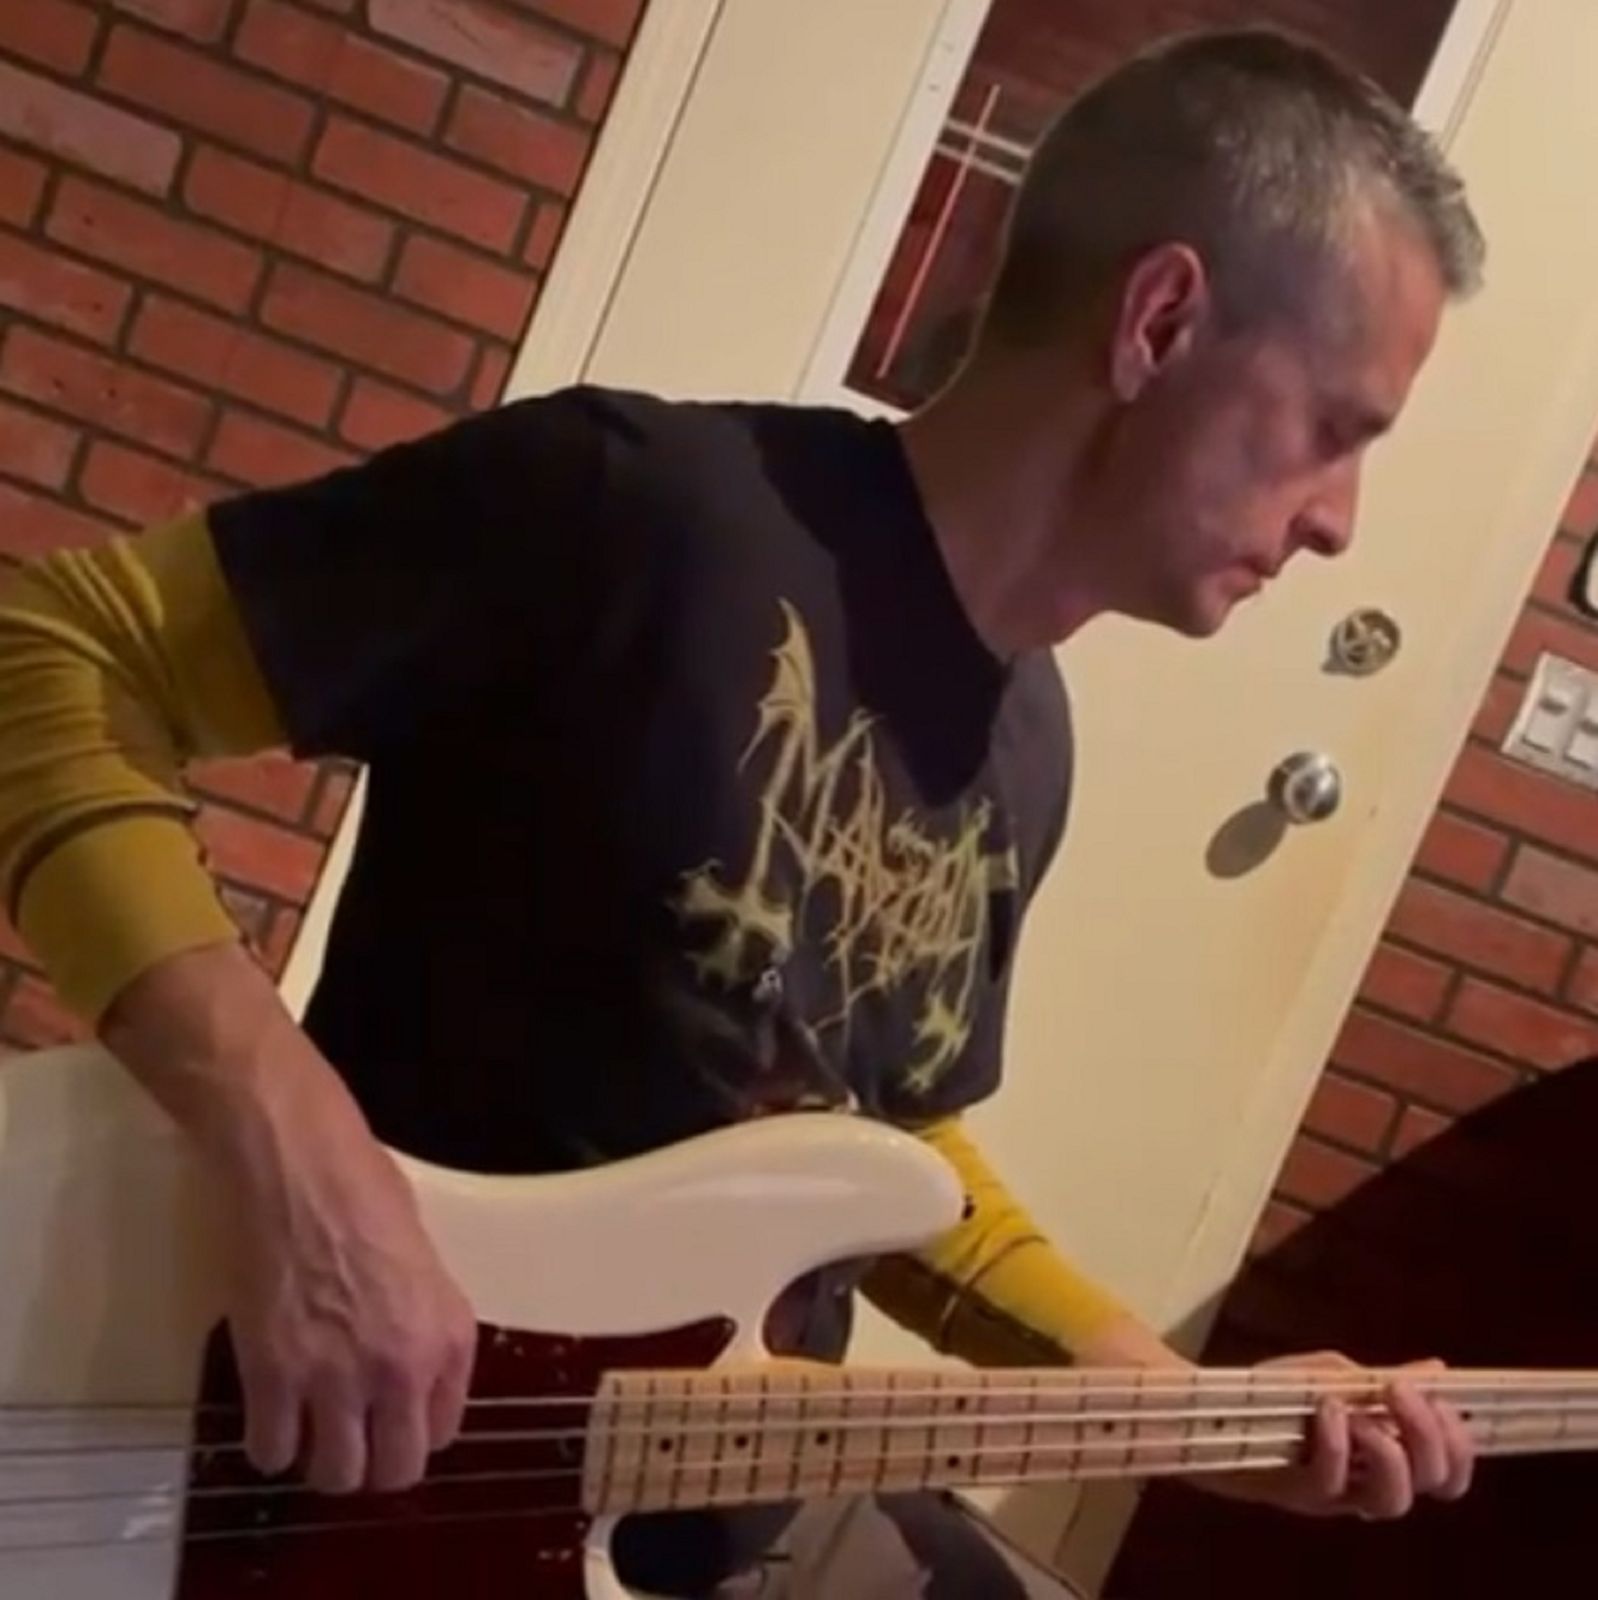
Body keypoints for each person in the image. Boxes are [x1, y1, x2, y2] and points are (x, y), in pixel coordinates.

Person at [0, 26, 1486, 1599]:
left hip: (670, 1546)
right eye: (1335, 429)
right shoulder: (639, 510)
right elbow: (55, 652)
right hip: (329, 1513)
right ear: (1160, 321)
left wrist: (1173, 1409)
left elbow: (877, 1137)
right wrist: (296, 1153)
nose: (1338, 523)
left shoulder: (1028, 744)